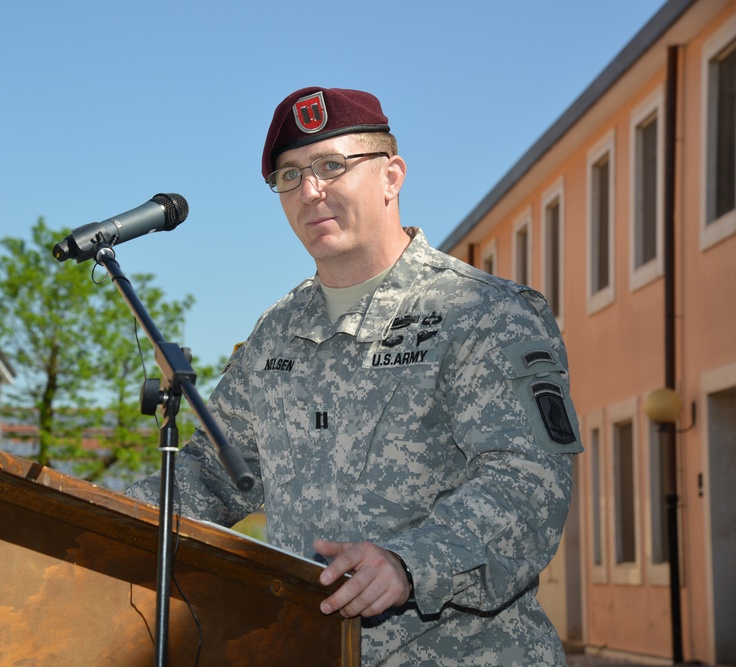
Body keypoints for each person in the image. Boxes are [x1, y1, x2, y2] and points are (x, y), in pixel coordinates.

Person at [126, 86, 583, 666]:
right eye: (289, 176)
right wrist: (90, 520)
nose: (310, 191)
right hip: (312, 650)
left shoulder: (483, 313)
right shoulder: (277, 331)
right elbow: (216, 471)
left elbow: (528, 481)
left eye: (331, 166)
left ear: (391, 176)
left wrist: (408, 562)